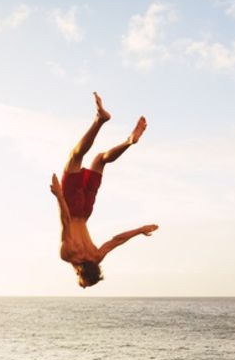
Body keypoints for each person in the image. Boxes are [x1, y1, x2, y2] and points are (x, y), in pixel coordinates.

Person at [51, 93, 158, 287]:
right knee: (75, 157)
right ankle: (99, 120)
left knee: (100, 160)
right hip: (73, 208)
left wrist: (141, 230)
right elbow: (66, 220)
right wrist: (59, 196)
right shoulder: (67, 255)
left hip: (86, 210)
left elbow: (117, 240)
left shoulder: (97, 256)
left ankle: (128, 142)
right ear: (81, 274)